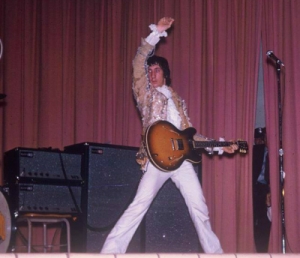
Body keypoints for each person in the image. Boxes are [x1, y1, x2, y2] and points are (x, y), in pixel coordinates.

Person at [100, 17, 238, 254]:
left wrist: (220, 145)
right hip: (156, 161)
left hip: (181, 162)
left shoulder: (178, 101)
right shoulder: (145, 95)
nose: (152, 74)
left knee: (200, 208)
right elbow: (137, 63)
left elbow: (190, 136)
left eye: (156, 70)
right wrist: (156, 34)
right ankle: (109, 252)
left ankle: (215, 254)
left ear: (165, 74)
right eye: (150, 70)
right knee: (139, 205)